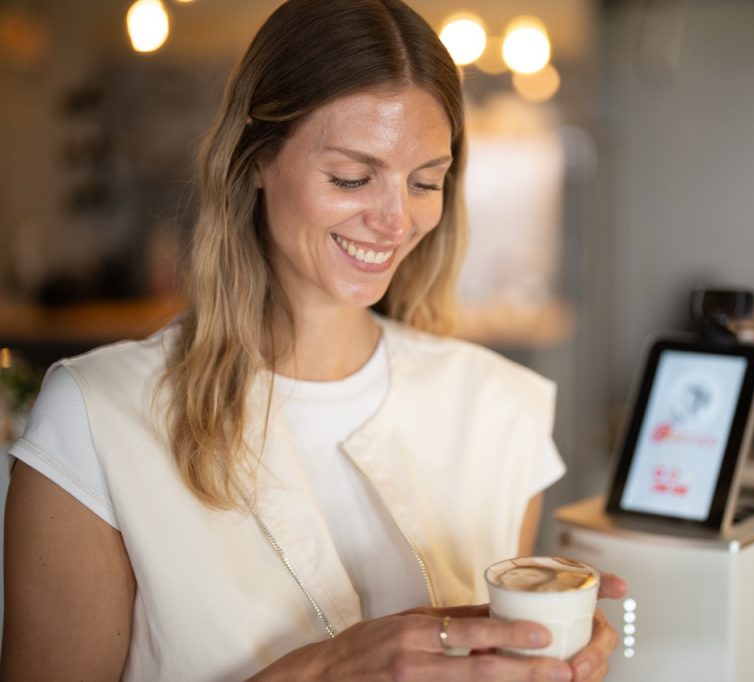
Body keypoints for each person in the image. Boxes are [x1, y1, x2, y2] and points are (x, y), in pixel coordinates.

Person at [1, 0, 625, 679]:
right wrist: (323, 671)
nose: (394, 220)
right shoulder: (98, 422)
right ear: (256, 156)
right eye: (351, 177)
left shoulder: (501, 413)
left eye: (425, 182)